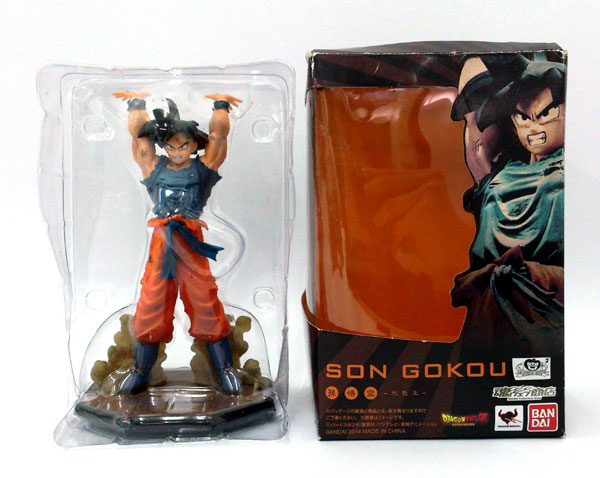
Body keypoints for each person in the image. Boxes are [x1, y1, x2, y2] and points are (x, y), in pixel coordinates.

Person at [112, 91, 244, 394]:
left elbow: (218, 138)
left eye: (183, 145)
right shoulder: (155, 168)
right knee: (152, 302)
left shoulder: (201, 169)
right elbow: (139, 140)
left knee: (204, 300)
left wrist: (221, 106)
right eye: (170, 146)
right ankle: (141, 372)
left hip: (191, 241)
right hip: (161, 242)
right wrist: (136, 105)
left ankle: (224, 369)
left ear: (194, 145)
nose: (176, 151)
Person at [450, 54, 565, 355]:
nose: (534, 127)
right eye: (523, 117)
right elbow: (476, 138)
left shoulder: (569, 172)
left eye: (546, 113)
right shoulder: (502, 175)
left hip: (553, 303)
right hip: (492, 309)